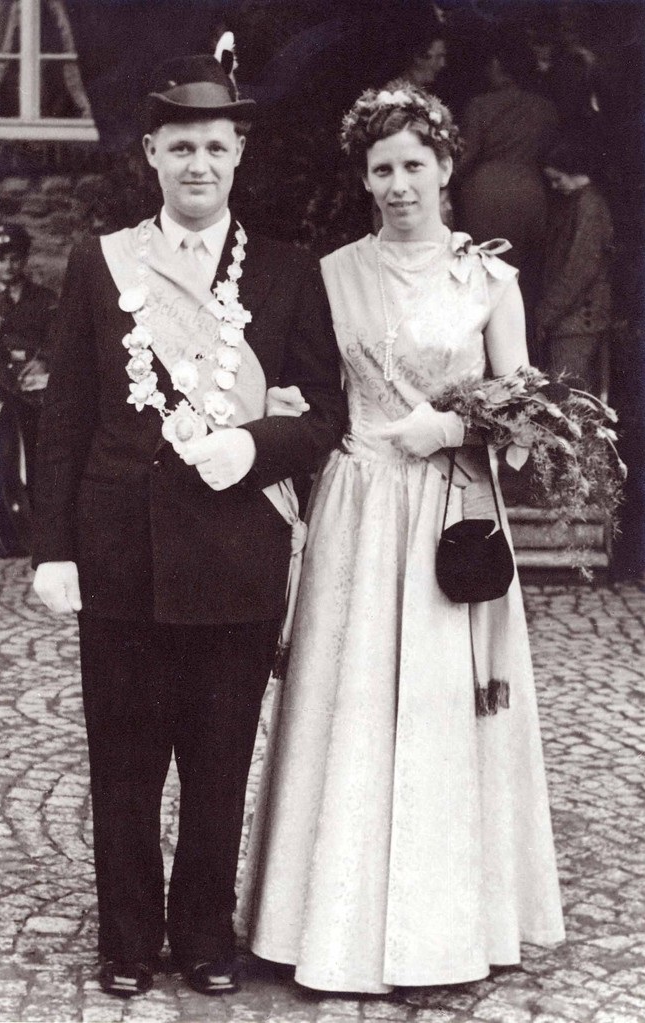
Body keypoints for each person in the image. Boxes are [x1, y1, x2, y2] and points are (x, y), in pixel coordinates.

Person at [31, 53, 346, 999]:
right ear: (151, 155)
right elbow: (66, 416)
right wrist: (53, 549)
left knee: (217, 763)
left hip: (235, 552)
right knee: (123, 763)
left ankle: (206, 934)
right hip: (121, 552)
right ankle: (128, 939)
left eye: (214, 146)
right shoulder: (102, 262)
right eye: (180, 148)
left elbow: (324, 415)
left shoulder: (288, 270)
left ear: (238, 154)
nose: (198, 164)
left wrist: (252, 445)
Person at [238, 81, 565, 994]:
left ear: (446, 166)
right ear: (363, 177)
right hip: (359, 504)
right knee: (344, 700)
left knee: (439, 706)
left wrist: (454, 427)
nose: (398, 184)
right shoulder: (333, 273)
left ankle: (440, 933)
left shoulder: (488, 280)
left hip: (451, 507)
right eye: (380, 168)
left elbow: (528, 404)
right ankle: (321, 925)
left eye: (414, 164)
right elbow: (309, 389)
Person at [454, 34, 559, 352]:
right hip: (531, 194)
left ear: (499, 65)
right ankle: (521, 352)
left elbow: (466, 157)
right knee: (523, 277)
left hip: (486, 195)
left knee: (481, 273)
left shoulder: (479, 105)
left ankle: (483, 352)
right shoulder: (545, 108)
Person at [0, 223, 56, 498]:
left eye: (15, 259)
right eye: (1, 260)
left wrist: (45, 360)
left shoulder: (43, 297)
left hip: (32, 377)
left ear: (24, 260)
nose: (9, 266)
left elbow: (59, 335)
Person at [535, 138, 613, 396]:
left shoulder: (590, 207)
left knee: (568, 397)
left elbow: (578, 270)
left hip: (578, 320)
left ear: (575, 170)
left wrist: (546, 313)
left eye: (558, 179)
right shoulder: (579, 203)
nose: (554, 186)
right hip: (570, 319)